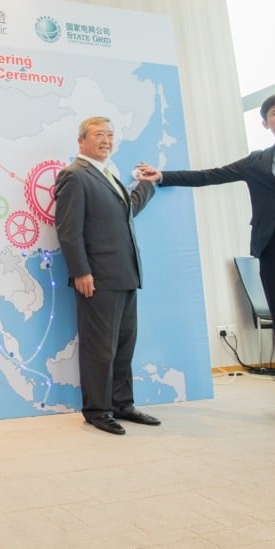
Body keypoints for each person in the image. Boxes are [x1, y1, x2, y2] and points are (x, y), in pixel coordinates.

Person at [138, 91, 275, 431]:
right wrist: (163, 176)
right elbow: (210, 175)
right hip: (274, 252)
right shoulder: (257, 161)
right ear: (265, 122)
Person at [53, 116, 161, 435]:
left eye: (110, 135)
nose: (106, 140)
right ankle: (98, 410)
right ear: (81, 141)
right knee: (100, 347)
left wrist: (147, 184)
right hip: (97, 278)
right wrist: (81, 271)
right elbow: (68, 230)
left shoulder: (108, 174)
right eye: (99, 134)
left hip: (126, 274)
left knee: (124, 346)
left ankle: (122, 404)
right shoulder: (74, 175)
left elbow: (127, 211)